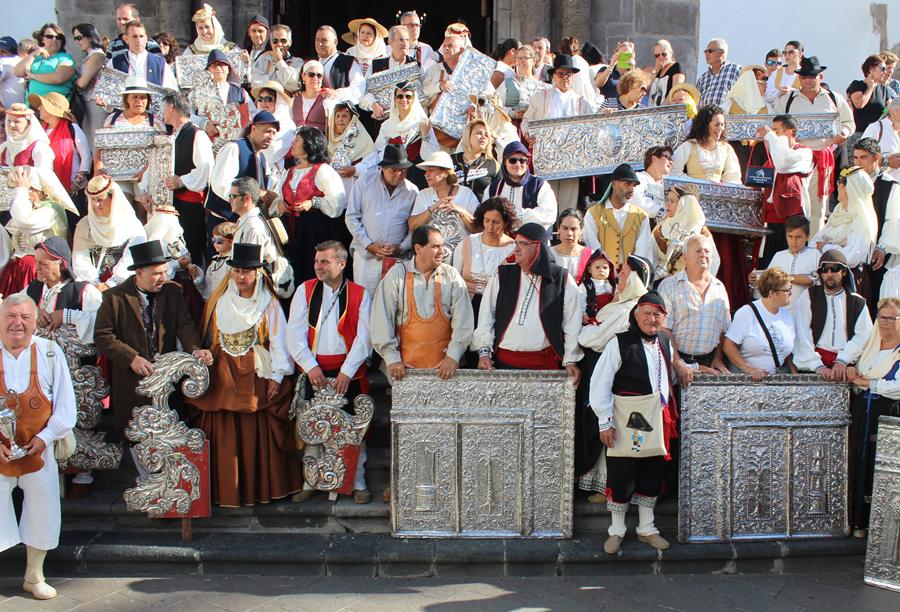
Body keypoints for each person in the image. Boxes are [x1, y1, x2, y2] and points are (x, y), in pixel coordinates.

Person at [188, 242, 298, 507]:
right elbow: (211, 340)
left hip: (255, 376)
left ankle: (261, 488)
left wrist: (277, 376)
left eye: (246, 272)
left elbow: (280, 341)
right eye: (237, 271)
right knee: (224, 432)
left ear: (257, 273)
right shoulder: (219, 302)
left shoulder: (268, 303)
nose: (241, 276)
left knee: (256, 433)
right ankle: (227, 489)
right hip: (224, 376)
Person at [94, 240, 213, 444]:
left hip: (166, 384)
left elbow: (184, 325)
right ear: (139, 273)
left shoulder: (172, 292)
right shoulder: (114, 298)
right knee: (136, 440)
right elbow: (103, 336)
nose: (163, 278)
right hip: (132, 383)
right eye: (157, 273)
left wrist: (195, 350)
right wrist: (131, 358)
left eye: (164, 272)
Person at [0, 294, 76, 601]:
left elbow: (66, 406)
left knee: (43, 510)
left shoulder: (49, 352)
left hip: (39, 451)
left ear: (34, 323)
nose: (17, 323)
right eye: (11, 316)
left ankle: (34, 576)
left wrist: (45, 438)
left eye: (25, 317)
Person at [590, 291, 678, 554]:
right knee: (622, 472)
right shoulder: (619, 343)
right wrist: (604, 423)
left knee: (652, 471)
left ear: (664, 317)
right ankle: (616, 531)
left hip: (656, 419)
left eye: (657, 314)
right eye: (647, 313)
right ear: (636, 315)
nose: (652, 319)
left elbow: (668, 376)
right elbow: (600, 383)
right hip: (624, 419)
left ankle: (646, 528)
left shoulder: (665, 340)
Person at [286, 241, 373, 504]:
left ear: (341, 264)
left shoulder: (360, 293)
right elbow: (294, 333)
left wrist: (347, 371)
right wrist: (310, 367)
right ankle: (310, 480)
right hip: (316, 371)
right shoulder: (305, 290)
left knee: (354, 429)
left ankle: (357, 481)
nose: (318, 266)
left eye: (324, 261)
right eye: (316, 261)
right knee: (313, 428)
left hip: (350, 373)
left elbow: (365, 336)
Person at [473, 220, 582, 376]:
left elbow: (572, 323)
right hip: (503, 363)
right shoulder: (502, 275)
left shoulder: (561, 279)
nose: (516, 249)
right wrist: (484, 352)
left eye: (522, 244)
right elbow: (486, 316)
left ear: (538, 247)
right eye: (516, 243)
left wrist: (571, 360)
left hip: (544, 366)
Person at [371, 224, 474, 385]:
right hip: (404, 370)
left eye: (442, 246)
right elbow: (381, 319)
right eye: (435, 247)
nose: (442, 251)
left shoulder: (451, 275)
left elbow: (464, 321)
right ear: (418, 249)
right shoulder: (398, 274)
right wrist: (392, 359)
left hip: (445, 371)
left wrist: (453, 357)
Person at [844, 296, 900, 537]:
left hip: (886, 413)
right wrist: (848, 366)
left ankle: (883, 529)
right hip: (862, 412)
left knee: (882, 467)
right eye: (882, 317)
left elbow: (895, 387)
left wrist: (868, 382)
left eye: (891, 318)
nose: (885, 322)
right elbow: (851, 363)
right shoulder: (871, 344)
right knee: (859, 461)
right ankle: (859, 522)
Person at [273, 126, 347, 285]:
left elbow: (337, 204)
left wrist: (313, 202)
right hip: (292, 231)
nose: (293, 143)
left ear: (308, 144)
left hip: (315, 230)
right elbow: (279, 196)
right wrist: (279, 205)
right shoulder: (290, 172)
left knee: (312, 271)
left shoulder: (323, 171)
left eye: (297, 140)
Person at [521, 54, 592, 211]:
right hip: (547, 158)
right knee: (546, 202)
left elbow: (590, 129)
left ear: (573, 77)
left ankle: (563, 234)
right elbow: (526, 121)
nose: (565, 78)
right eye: (561, 73)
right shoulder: (540, 98)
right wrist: (528, 134)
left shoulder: (582, 103)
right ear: (554, 75)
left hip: (571, 160)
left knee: (568, 204)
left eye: (569, 74)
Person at [344, 144, 418, 293]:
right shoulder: (365, 181)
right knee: (365, 305)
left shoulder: (412, 191)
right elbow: (351, 217)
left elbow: (414, 228)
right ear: (383, 168)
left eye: (403, 170)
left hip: (396, 259)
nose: (398, 174)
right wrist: (369, 244)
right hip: (366, 256)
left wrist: (400, 247)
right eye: (394, 170)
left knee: (394, 306)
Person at [657, 233, 731, 372]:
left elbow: (724, 330)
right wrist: (678, 362)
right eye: (698, 251)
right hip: (675, 361)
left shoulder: (719, 288)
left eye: (707, 251)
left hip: (709, 363)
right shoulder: (669, 286)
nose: (703, 254)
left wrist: (718, 358)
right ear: (684, 257)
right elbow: (664, 330)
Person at [793, 250, 872, 378]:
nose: (829, 274)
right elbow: (802, 332)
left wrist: (843, 360)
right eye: (825, 269)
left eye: (835, 268)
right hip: (813, 365)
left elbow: (864, 334)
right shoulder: (808, 296)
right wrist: (816, 365)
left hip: (847, 366)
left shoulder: (856, 301)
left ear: (844, 272)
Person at [0, 166, 75, 297]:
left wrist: (21, 191)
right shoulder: (26, 208)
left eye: (28, 189)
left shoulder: (52, 209)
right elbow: (10, 229)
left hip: (37, 269)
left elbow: (25, 221)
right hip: (17, 270)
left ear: (40, 190)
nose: (23, 193)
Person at [161, 93, 214, 265]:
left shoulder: (197, 135)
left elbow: (205, 168)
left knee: (192, 248)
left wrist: (181, 181)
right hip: (172, 203)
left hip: (190, 204)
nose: (162, 112)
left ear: (172, 108)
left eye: (164, 107)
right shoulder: (171, 135)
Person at [754, 114, 815, 264]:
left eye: (777, 131)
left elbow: (783, 163)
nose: (772, 135)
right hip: (770, 219)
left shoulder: (804, 152)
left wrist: (770, 136)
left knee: (791, 261)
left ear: (790, 132)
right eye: (772, 131)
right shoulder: (773, 154)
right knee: (768, 262)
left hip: (792, 217)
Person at [207, 110, 279, 231]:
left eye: (274, 133)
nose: (271, 137)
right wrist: (257, 194)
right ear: (254, 128)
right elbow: (221, 184)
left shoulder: (260, 156)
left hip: (244, 221)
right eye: (267, 131)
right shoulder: (234, 148)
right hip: (225, 222)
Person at [72, 175, 146, 290]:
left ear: (114, 198)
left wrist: (111, 283)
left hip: (123, 286)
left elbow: (131, 258)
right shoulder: (85, 225)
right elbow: (80, 259)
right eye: (93, 200)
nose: (96, 205)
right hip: (90, 288)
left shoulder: (132, 224)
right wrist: (94, 285)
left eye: (100, 199)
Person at [723, 267, 797, 380]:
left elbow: (788, 354)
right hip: (749, 382)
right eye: (787, 290)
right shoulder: (746, 313)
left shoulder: (788, 316)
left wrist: (795, 377)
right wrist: (749, 369)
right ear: (772, 293)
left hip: (778, 382)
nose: (791, 293)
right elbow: (728, 346)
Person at [26, 237, 102, 346]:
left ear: (61, 264)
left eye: (44, 264)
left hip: (75, 361)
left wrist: (67, 316)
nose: (37, 268)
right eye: (36, 262)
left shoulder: (83, 291)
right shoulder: (33, 288)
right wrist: (33, 312)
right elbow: (11, 308)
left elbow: (104, 323)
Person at [228, 177, 293, 299]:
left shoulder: (254, 227)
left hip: (255, 296)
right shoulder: (248, 222)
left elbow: (250, 270)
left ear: (247, 198)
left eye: (233, 196)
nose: (229, 200)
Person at [452, 197, 516, 315]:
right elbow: (455, 278)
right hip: (466, 307)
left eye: (496, 222)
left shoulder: (514, 249)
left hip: (499, 308)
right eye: (487, 220)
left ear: (505, 222)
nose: (490, 227)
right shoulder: (467, 243)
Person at [408, 151, 478, 257]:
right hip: (431, 258)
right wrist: (433, 208)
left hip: (461, 257)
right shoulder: (423, 194)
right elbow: (412, 226)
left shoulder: (466, 193)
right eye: (426, 171)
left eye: (431, 170)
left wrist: (460, 210)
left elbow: (478, 229)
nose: (426, 174)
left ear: (445, 172)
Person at [368, 81, 438, 187]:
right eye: (400, 96)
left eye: (408, 97)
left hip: (417, 175)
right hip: (394, 175)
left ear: (413, 99)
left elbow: (432, 155)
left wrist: (425, 135)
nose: (404, 100)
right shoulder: (387, 125)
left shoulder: (423, 122)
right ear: (395, 100)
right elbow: (378, 151)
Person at [583, 163, 654, 266]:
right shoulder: (593, 213)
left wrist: (632, 272)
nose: (631, 189)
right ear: (614, 184)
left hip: (631, 276)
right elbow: (592, 245)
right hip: (602, 274)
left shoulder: (642, 216)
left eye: (634, 185)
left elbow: (644, 249)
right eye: (627, 184)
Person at [813, 166, 877, 271]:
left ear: (850, 188)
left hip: (848, 278)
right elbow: (816, 242)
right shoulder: (839, 211)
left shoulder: (862, 221)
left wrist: (825, 247)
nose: (838, 186)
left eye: (841, 182)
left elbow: (850, 258)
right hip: (826, 272)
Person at [28, 92, 90, 196]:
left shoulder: (73, 129)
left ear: (50, 110)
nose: (39, 108)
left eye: (42, 105)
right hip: (48, 191)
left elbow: (86, 157)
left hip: (73, 191)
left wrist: (76, 183)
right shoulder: (40, 131)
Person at [751, 215, 819, 309]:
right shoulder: (779, 255)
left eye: (798, 237)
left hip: (807, 311)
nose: (793, 241)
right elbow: (769, 280)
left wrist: (784, 278)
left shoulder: (815, 255)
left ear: (807, 237)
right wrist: (755, 279)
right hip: (781, 312)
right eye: (790, 236)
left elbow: (815, 280)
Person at [484, 141, 557, 231]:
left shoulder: (539, 184)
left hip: (531, 240)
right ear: (504, 163)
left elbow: (549, 214)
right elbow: (485, 215)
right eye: (512, 160)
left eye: (522, 160)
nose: (518, 165)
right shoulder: (494, 187)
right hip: (500, 242)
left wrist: (516, 216)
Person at [652, 185, 720, 278]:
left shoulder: (702, 234)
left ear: (685, 205)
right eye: (668, 200)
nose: (667, 204)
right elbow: (650, 255)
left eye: (672, 201)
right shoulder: (661, 227)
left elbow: (713, 263)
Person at [193, 50, 253, 142]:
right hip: (206, 142)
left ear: (228, 68)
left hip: (235, 143)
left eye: (222, 64)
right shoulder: (196, 93)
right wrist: (203, 123)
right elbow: (186, 115)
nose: (218, 68)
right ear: (208, 70)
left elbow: (252, 114)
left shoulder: (241, 93)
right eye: (213, 65)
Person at [14, 23, 75, 102]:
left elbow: (59, 78)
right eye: (49, 37)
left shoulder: (65, 58)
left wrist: (33, 76)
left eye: (58, 37)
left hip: (54, 107)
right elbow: (17, 72)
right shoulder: (36, 57)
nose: (54, 40)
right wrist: (34, 54)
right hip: (33, 105)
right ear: (42, 39)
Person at [108, 20, 177, 90]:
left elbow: (171, 90)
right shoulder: (115, 62)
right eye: (134, 36)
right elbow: (106, 89)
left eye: (141, 36)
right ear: (126, 39)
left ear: (146, 38)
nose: (139, 40)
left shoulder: (160, 64)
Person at [326, 101, 375, 195]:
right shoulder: (328, 141)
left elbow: (372, 163)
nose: (340, 120)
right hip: (333, 195)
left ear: (352, 119)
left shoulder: (362, 138)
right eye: (337, 116)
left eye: (344, 116)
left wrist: (355, 170)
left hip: (355, 193)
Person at [71, 23, 107, 148]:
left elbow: (82, 82)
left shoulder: (97, 55)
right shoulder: (89, 56)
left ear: (90, 37)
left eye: (79, 38)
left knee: (97, 140)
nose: (77, 42)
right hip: (88, 102)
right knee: (89, 139)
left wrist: (75, 79)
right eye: (75, 38)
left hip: (96, 104)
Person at [497, 44, 546, 126]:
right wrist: (511, 112)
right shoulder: (508, 83)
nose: (521, 61)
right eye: (519, 58)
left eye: (525, 58)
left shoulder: (542, 87)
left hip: (532, 129)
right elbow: (496, 104)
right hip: (511, 128)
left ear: (533, 61)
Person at [313, 26, 364, 104]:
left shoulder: (348, 61)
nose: (320, 44)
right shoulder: (312, 63)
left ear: (335, 42)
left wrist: (337, 94)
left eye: (324, 40)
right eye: (317, 40)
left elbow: (358, 89)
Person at [451, 119, 500, 200]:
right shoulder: (450, 161)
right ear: (468, 136)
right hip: (452, 210)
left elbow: (498, 197)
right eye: (479, 133)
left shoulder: (494, 165)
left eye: (486, 135)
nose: (483, 137)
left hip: (481, 211)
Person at [847, 54, 893, 135]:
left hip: (877, 134)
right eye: (882, 69)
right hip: (860, 134)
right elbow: (859, 104)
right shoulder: (857, 85)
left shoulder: (884, 89)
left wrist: (885, 111)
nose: (885, 72)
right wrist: (870, 88)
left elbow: (888, 109)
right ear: (871, 69)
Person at [0, 103, 53, 171]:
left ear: (29, 124)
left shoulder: (40, 148)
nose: (11, 125)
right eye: (9, 121)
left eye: (17, 122)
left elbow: (44, 176)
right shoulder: (4, 147)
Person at [251, 24, 302, 92]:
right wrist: (283, 87)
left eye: (283, 41)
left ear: (290, 43)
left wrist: (280, 61)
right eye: (275, 41)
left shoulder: (297, 62)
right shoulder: (263, 59)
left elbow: (294, 85)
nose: (279, 44)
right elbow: (256, 84)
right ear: (271, 43)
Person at [862, 97, 900, 182]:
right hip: (880, 188)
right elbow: (860, 159)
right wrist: (885, 161)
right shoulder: (876, 128)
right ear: (893, 112)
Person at [696, 38, 741, 107]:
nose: (707, 54)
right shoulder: (703, 78)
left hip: (726, 116)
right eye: (705, 51)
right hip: (704, 116)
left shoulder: (736, 70)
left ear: (722, 52)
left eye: (710, 51)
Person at [633, 146, 673, 219]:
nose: (671, 161)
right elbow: (638, 203)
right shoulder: (638, 178)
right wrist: (666, 213)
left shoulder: (671, 185)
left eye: (671, 159)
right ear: (654, 158)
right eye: (667, 157)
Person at [551, 208, 591, 279]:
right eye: (565, 228)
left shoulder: (590, 256)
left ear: (581, 230)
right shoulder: (549, 254)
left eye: (573, 229)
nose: (569, 233)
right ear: (558, 229)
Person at [199, 221, 235, 300]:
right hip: (211, 301)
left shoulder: (232, 262)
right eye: (213, 240)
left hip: (225, 302)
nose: (215, 244)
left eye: (219, 241)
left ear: (231, 242)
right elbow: (208, 283)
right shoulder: (215, 260)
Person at [765, 40, 802, 109]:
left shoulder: (804, 74)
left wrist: (792, 91)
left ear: (799, 54)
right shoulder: (776, 73)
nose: (787, 55)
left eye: (791, 52)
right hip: (777, 115)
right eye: (785, 52)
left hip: (796, 114)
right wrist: (778, 93)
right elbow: (767, 96)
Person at [647, 39, 684, 107]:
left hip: (665, 111)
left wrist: (661, 108)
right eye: (657, 55)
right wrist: (655, 69)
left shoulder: (676, 67)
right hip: (652, 110)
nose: (661, 57)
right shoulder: (658, 70)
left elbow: (674, 91)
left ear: (670, 52)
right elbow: (647, 87)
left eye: (664, 54)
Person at [0, 36, 24, 110]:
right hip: (23, 110)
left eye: (3, 51)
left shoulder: (5, 62)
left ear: (12, 53)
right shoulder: (22, 61)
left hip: (9, 112)